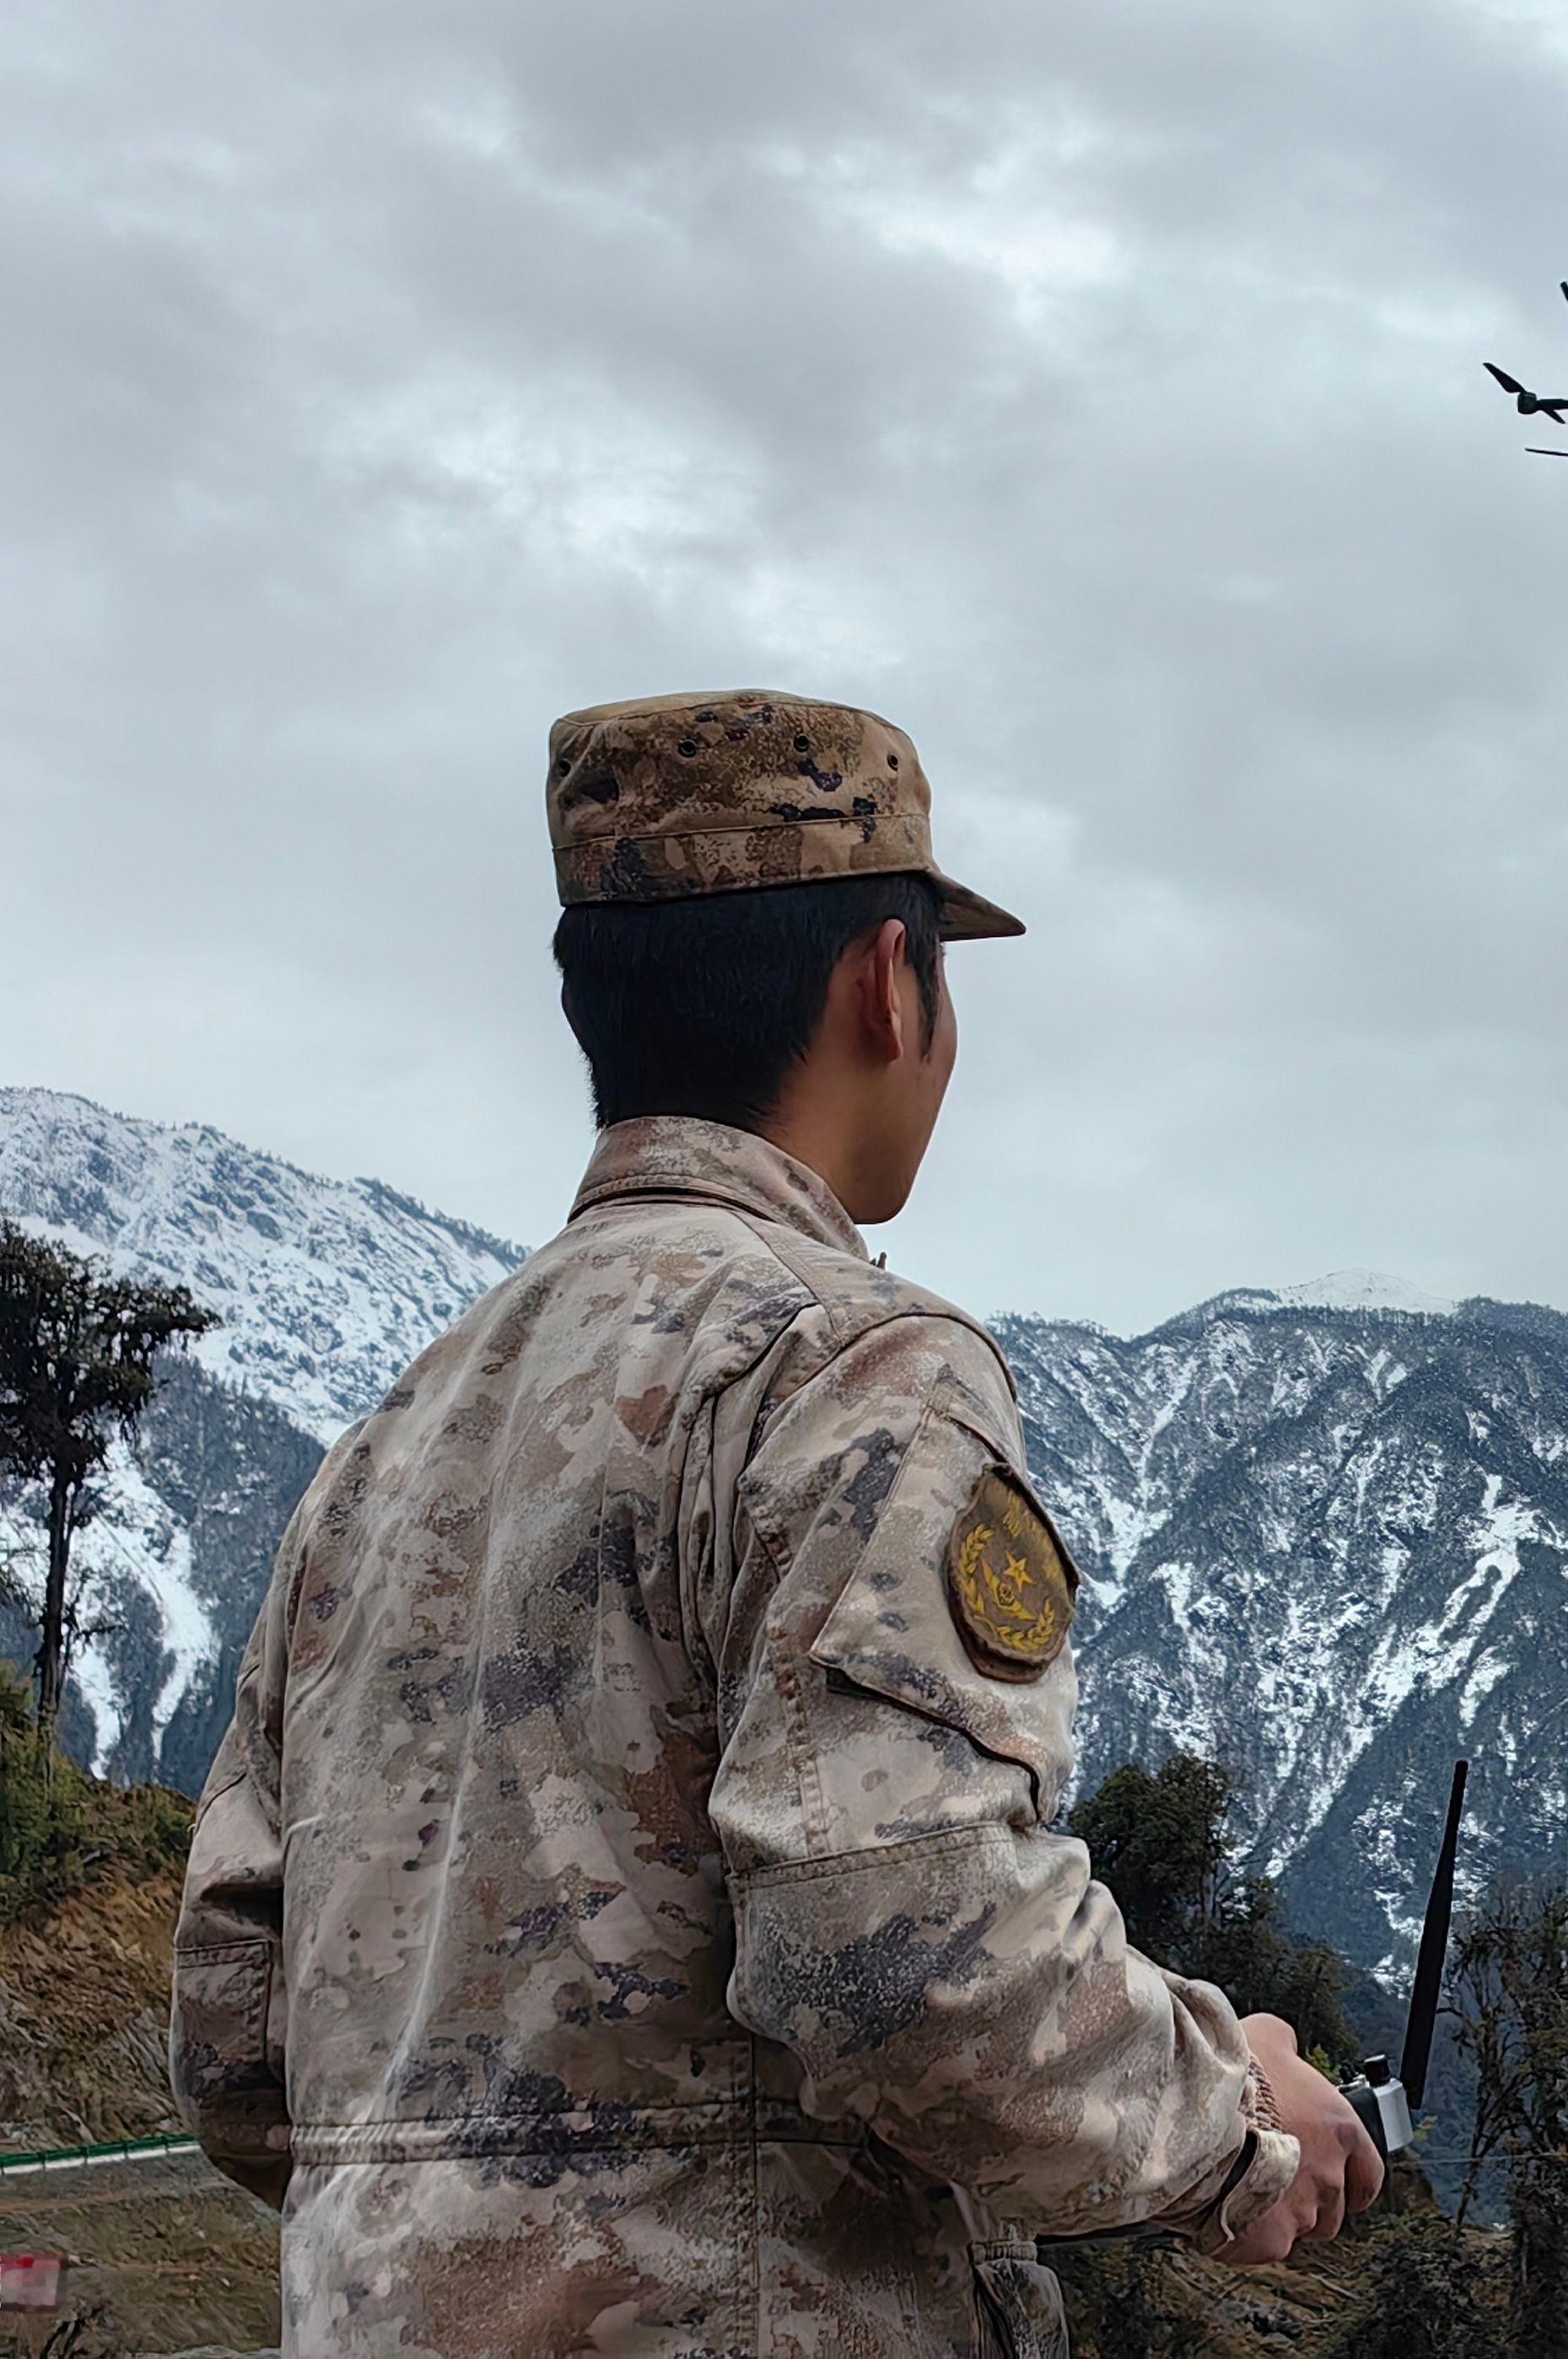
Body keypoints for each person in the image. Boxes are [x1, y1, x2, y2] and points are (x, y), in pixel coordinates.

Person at [169, 689, 1378, 2356]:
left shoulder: (389, 1438)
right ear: (888, 983)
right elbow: (906, 1960)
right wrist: (1236, 2117)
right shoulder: (850, 1364)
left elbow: (237, 2037)